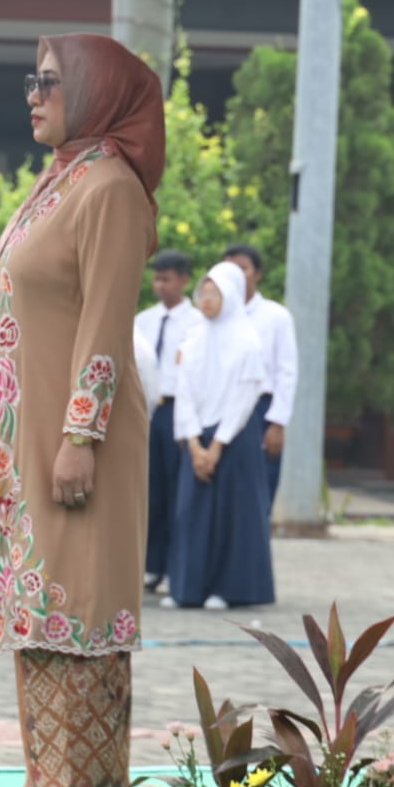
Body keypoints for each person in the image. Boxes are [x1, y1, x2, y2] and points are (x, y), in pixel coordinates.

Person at [0, 33, 158, 787]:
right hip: (31, 426)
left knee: (72, 598)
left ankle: (74, 785)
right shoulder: (61, 180)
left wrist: (80, 435)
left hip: (79, 432)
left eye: (49, 83)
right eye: (31, 82)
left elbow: (106, 323)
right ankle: (62, 780)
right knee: (38, 598)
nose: (33, 96)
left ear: (95, 94)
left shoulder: (108, 188)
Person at [165, 260, 272, 611]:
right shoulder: (194, 341)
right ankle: (188, 588)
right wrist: (195, 444)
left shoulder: (247, 342)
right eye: (203, 293)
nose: (207, 300)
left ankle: (228, 589)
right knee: (191, 513)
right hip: (198, 437)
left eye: (215, 293)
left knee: (231, 514)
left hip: (234, 439)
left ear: (232, 296)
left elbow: (244, 399)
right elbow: (184, 391)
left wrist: (217, 445)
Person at [133, 249, 201, 590]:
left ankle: (177, 566)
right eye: (156, 278)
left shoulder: (198, 321)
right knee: (152, 489)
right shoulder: (144, 320)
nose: (160, 285)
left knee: (179, 490)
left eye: (167, 278)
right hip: (151, 408)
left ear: (184, 280)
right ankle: (152, 564)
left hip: (181, 409)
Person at [222, 243, 296, 507]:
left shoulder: (276, 316)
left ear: (257, 274)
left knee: (258, 493)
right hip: (221, 409)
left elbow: (286, 372)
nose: (236, 276)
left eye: (242, 268)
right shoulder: (217, 316)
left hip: (260, 411)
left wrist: (277, 423)